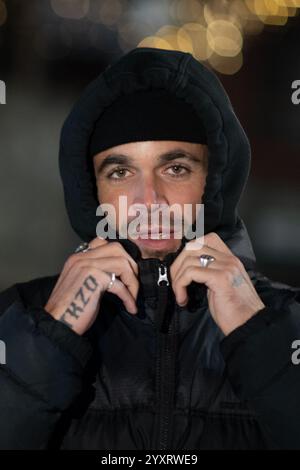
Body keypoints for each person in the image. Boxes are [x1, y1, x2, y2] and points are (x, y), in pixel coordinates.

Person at [0, 47, 299, 450]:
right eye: (121, 172)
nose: (149, 200)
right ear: (93, 193)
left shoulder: (289, 321)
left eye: (175, 168)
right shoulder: (19, 319)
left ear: (214, 183)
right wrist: (49, 338)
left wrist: (261, 337)